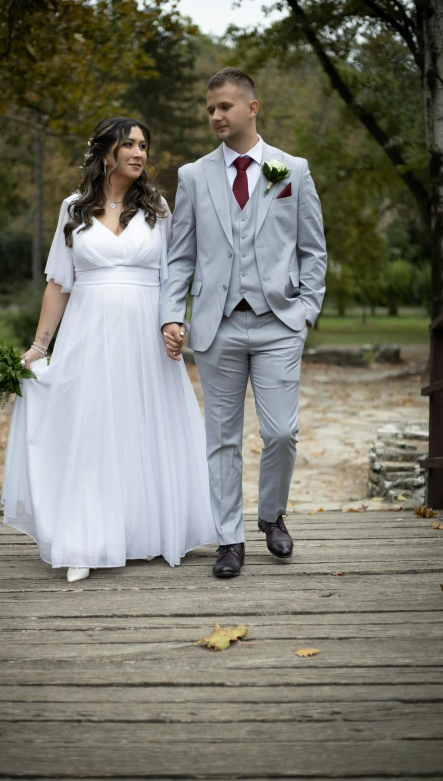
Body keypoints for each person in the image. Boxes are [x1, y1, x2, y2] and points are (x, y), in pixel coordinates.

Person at [2, 117, 216, 582]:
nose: (139, 153)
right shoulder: (73, 208)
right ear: (106, 154)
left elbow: (173, 275)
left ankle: (151, 530)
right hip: (88, 333)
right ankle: (83, 540)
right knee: (92, 429)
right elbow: (59, 284)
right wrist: (40, 346)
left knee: (143, 426)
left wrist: (174, 321)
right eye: (129, 145)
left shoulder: (157, 207)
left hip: (144, 334)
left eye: (144, 144)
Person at [161, 68, 327, 578]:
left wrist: (306, 312)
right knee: (222, 438)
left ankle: (271, 514)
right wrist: (172, 313)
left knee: (281, 433)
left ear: (252, 108)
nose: (215, 116)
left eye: (225, 107)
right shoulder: (193, 176)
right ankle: (229, 540)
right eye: (210, 108)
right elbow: (181, 256)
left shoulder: (291, 170)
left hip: (279, 322)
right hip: (217, 326)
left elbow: (313, 250)